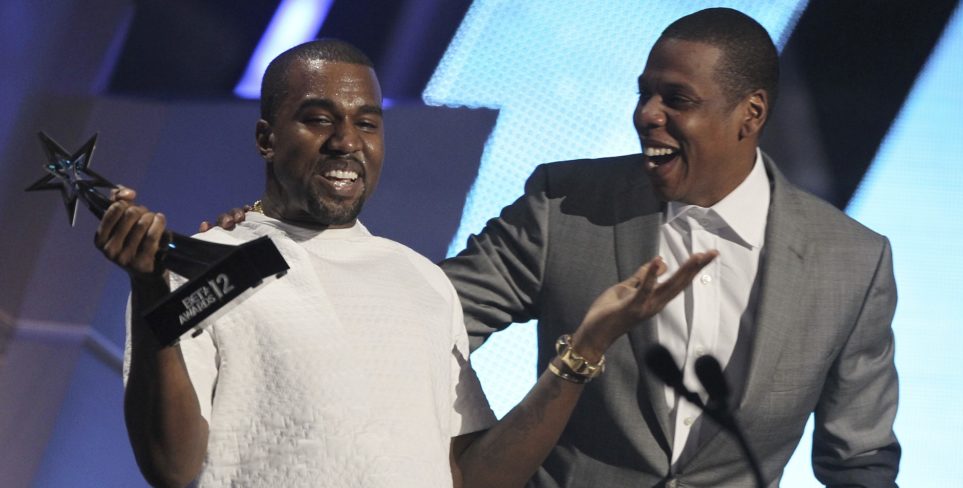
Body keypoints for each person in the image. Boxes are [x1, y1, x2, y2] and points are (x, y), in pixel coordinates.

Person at [95, 40, 716, 487]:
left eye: (367, 123)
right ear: (266, 138)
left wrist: (585, 346)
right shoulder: (199, 269)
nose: (346, 141)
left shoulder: (422, 282)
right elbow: (173, 469)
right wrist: (151, 289)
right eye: (318, 119)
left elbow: (471, 477)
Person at [438, 8, 900, 488]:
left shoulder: (852, 263)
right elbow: (426, 321)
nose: (647, 114)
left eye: (677, 99)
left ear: (751, 113)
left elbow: (860, 460)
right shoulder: (566, 206)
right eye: (644, 94)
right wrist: (467, 449)